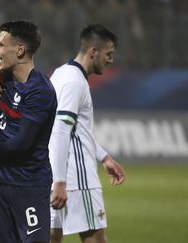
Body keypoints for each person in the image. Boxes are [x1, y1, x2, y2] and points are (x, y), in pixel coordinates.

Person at [0, 20, 57, 243]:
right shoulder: (5, 78)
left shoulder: (40, 90)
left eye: (1, 46)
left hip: (28, 185)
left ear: (20, 50)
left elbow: (22, 142)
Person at [48, 24, 125, 243]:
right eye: (108, 54)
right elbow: (61, 130)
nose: (110, 60)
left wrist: (104, 157)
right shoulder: (75, 82)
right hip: (77, 178)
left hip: (57, 172)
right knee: (95, 237)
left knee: (51, 236)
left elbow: (72, 130)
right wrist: (60, 182)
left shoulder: (62, 73)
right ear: (93, 51)